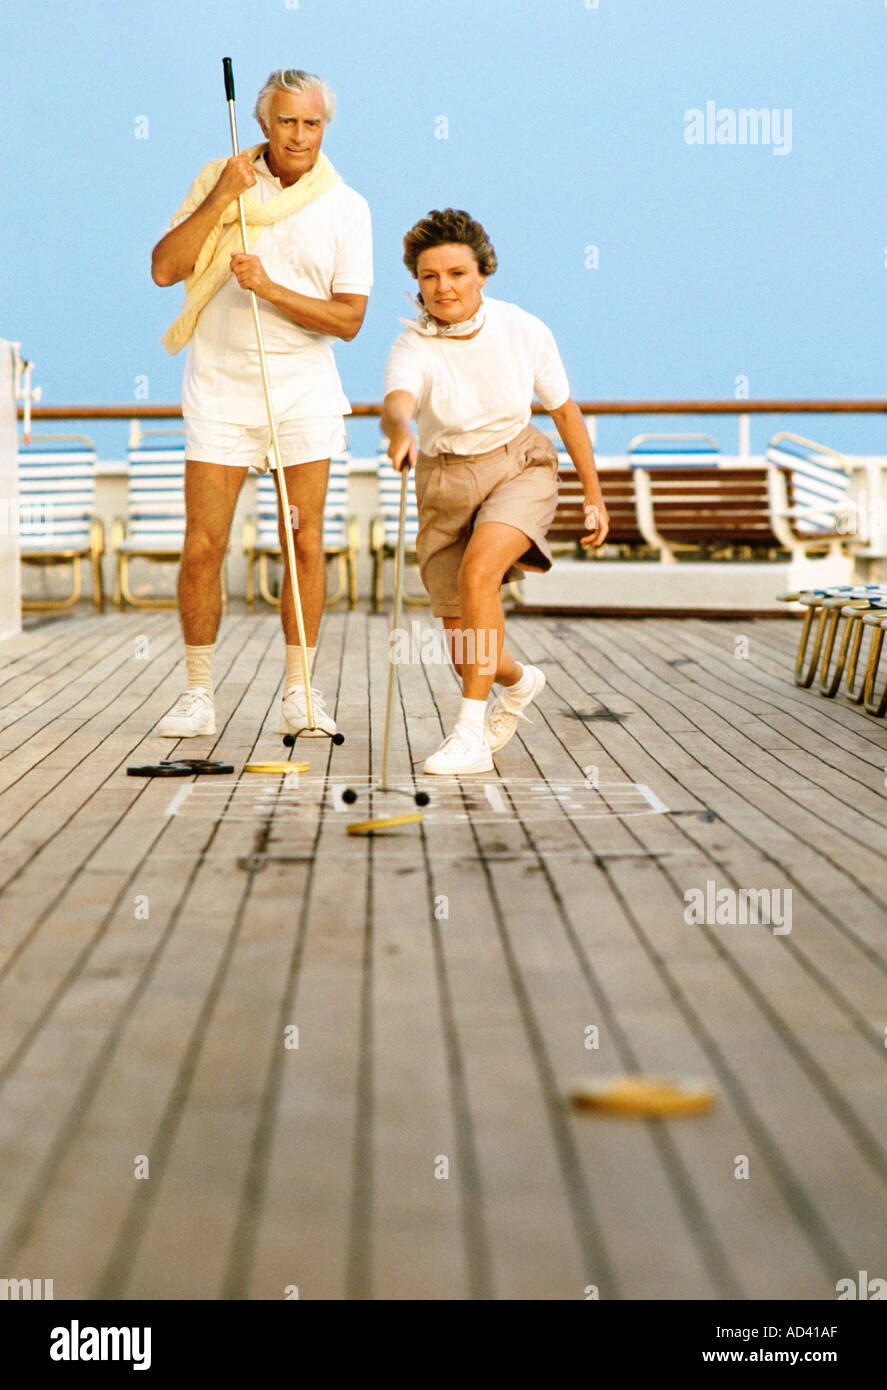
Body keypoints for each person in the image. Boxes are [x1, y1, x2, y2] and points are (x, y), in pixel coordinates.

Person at [150, 68, 372, 739]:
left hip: (302, 395)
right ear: (262, 123)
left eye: (310, 123)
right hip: (218, 389)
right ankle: (196, 693)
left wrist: (270, 289)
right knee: (202, 547)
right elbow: (165, 269)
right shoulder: (220, 179)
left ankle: (300, 693)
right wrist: (221, 194)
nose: (298, 135)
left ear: (324, 126)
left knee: (302, 543)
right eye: (285, 121)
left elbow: (348, 319)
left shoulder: (345, 205)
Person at [381, 208, 608, 775]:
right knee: (467, 651)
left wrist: (593, 494)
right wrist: (401, 432)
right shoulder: (413, 344)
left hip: (517, 465)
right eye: (430, 277)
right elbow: (398, 402)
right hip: (444, 479)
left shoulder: (523, 328)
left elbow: (564, 411)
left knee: (478, 574)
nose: (443, 287)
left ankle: (469, 735)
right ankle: (521, 680)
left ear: (483, 273)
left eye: (456, 273)